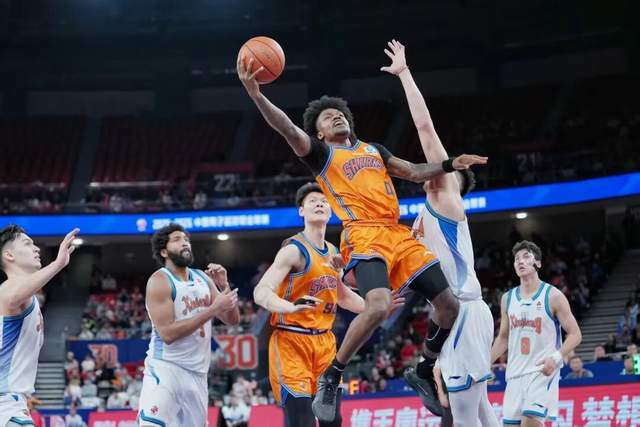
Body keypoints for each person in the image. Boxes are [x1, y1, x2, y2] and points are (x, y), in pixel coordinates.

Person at [238, 41, 488, 423]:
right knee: (379, 306)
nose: (336, 117)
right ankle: (332, 375)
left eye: (340, 113)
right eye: (328, 117)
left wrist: (451, 164)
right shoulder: (321, 155)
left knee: (449, 305)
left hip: (396, 233)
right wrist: (257, 95)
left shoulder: (375, 150)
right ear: (319, 133)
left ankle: (423, 369)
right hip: (363, 234)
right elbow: (286, 128)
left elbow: (415, 171)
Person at [383, 39, 498, 426]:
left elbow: (425, 128)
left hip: (465, 309)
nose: (436, 170)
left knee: (465, 417)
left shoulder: (448, 199)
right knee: (480, 412)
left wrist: (404, 74)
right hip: (455, 315)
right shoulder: (422, 216)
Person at [254, 183, 403, 427]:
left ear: (331, 210)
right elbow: (261, 292)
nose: (319, 204)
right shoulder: (293, 250)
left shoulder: (334, 252)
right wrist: (291, 307)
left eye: (324, 201)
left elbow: (343, 297)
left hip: (325, 344)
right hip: (292, 342)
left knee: (332, 420)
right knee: (301, 421)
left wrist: (377, 307)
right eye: (313, 201)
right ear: (301, 210)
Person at [137, 223, 240, 426]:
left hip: (198, 374)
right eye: (177, 240)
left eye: (186, 239)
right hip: (166, 368)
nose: (185, 243)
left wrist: (224, 286)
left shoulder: (203, 278)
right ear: (164, 251)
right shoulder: (160, 280)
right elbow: (168, 334)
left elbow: (232, 319)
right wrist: (212, 310)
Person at [491, 241, 582, 426]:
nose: (520, 261)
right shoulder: (507, 298)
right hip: (515, 374)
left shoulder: (553, 296)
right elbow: (503, 337)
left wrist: (556, 358)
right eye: (516, 258)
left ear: (538, 263)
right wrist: (484, 364)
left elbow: (575, 334)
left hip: (542, 371)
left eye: (526, 256)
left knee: (529, 422)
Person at [0, 225, 78, 427]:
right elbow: (11, 298)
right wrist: (57, 264)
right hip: (5, 403)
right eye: (27, 244)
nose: (36, 249)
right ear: (9, 255)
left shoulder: (29, 298)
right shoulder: (8, 290)